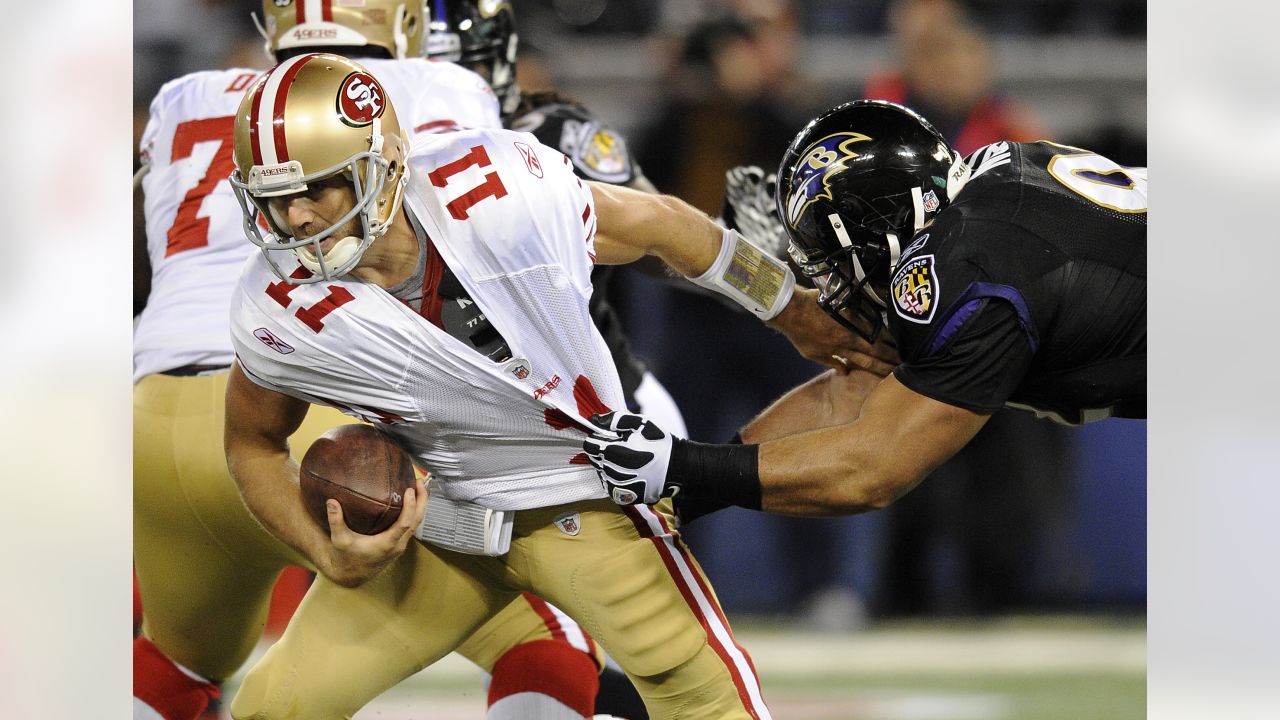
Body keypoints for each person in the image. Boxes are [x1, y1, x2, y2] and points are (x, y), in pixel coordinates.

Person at [221, 53, 852, 720]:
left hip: (583, 499)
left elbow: (666, 226)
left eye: (314, 190)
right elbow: (252, 443)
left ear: (379, 168)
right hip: (438, 528)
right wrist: (324, 550)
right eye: (272, 198)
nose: (292, 219)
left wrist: (789, 307)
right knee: (271, 708)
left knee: (716, 705)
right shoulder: (276, 311)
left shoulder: (499, 195)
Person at [132, 4, 619, 719]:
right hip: (308, 406)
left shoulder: (183, 98)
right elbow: (478, 228)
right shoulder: (424, 86)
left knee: (175, 659)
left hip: (154, 417)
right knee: (549, 640)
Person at [585, 98, 1145, 520]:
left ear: (881, 227)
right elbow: (853, 393)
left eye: (831, 258)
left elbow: (870, 469)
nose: (827, 284)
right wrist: (683, 494)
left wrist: (681, 469)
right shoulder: (971, 207)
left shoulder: (966, 267)